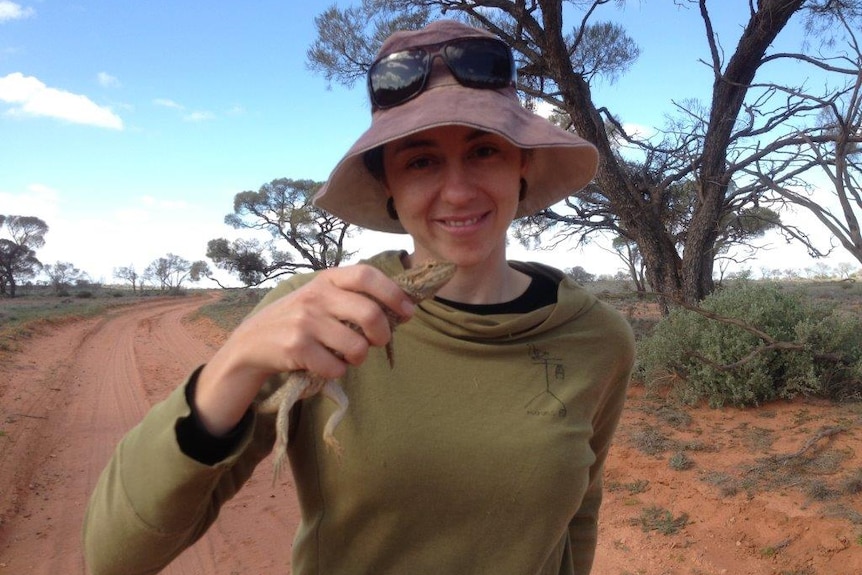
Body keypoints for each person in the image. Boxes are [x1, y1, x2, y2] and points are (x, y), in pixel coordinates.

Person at [82, 19, 635, 575]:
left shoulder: (597, 337)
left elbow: (578, 516)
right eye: (420, 161)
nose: (459, 189)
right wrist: (236, 360)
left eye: (485, 150)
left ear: (524, 164)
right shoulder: (316, 314)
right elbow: (114, 556)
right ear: (387, 186)